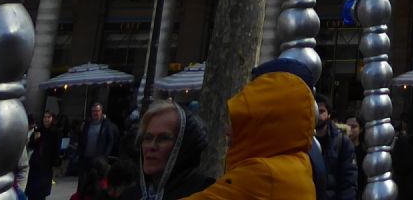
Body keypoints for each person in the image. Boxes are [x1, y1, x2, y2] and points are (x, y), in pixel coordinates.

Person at [182, 59, 316, 199]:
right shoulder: (298, 163)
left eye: (242, 123)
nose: (228, 131)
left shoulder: (262, 173)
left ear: (264, 123)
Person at [114, 99, 214, 200]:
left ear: (183, 145)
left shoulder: (206, 194)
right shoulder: (129, 196)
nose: (151, 146)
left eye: (163, 138)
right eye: (147, 138)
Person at [316, 97, 358, 200]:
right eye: (315, 110)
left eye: (321, 111)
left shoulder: (342, 142)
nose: (317, 115)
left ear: (329, 114)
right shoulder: (303, 139)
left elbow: (348, 181)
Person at [73, 104, 119, 176]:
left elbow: (110, 141)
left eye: (97, 111)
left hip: (99, 160)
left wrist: (105, 156)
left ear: (101, 112)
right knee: (83, 181)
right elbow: (81, 139)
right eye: (93, 111)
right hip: (85, 159)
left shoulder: (107, 125)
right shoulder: (87, 124)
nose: (95, 113)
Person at [28, 110, 64, 200]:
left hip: (46, 165)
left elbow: (56, 149)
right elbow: (30, 145)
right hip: (35, 163)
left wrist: (54, 163)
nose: (46, 119)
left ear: (52, 119)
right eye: (45, 117)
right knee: (32, 191)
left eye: (48, 117)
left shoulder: (56, 132)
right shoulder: (38, 130)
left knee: (41, 192)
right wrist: (35, 139)